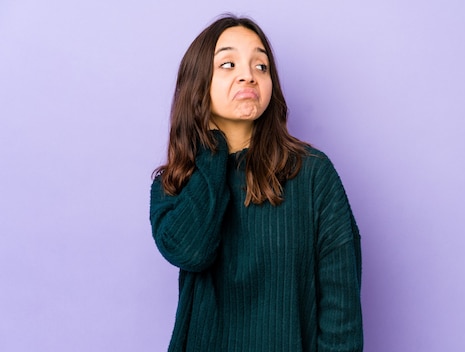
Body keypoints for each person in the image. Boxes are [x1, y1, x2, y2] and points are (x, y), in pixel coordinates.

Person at [149, 14, 363, 352]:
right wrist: (213, 152)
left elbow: (342, 310)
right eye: (229, 64)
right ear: (198, 83)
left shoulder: (312, 174)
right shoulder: (174, 183)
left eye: (261, 66)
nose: (248, 75)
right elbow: (193, 251)